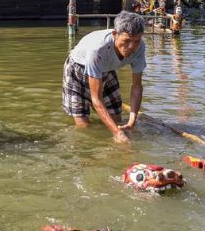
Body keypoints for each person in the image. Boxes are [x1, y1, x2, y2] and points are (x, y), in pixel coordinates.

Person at [62, 11, 146, 143]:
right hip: (78, 68)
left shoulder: (140, 48)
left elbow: (136, 86)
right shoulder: (98, 50)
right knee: (84, 127)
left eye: (136, 41)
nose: (131, 47)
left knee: (116, 118)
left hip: (107, 69)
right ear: (115, 35)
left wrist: (131, 121)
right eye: (126, 41)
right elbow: (96, 98)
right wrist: (117, 133)